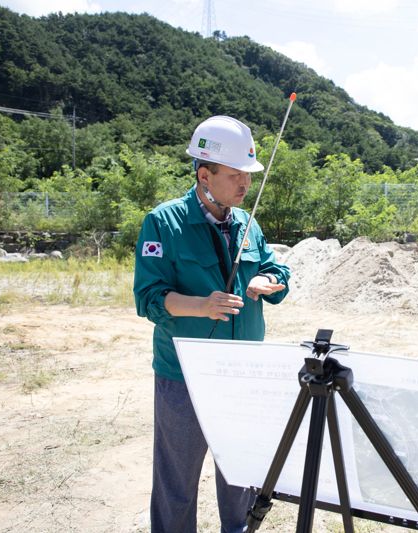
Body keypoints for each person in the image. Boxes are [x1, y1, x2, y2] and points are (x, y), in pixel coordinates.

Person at [134, 115, 290, 533]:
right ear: (205, 175)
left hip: (243, 374)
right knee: (177, 482)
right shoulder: (163, 223)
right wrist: (202, 306)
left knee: (240, 477)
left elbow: (279, 270)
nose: (246, 184)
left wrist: (267, 281)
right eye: (236, 175)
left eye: (249, 175)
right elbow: (149, 298)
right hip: (184, 376)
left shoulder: (248, 224)